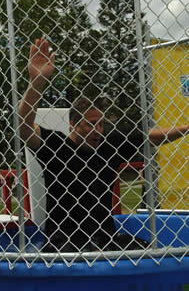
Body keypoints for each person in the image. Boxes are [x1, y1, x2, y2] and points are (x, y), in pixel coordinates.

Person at [19, 38, 189, 252]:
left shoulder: (109, 144)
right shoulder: (56, 146)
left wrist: (186, 127)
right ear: (73, 124)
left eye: (101, 124)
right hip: (64, 242)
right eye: (91, 124)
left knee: (146, 248)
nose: (98, 130)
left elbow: (152, 137)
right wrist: (37, 82)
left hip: (106, 238)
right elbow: (24, 127)